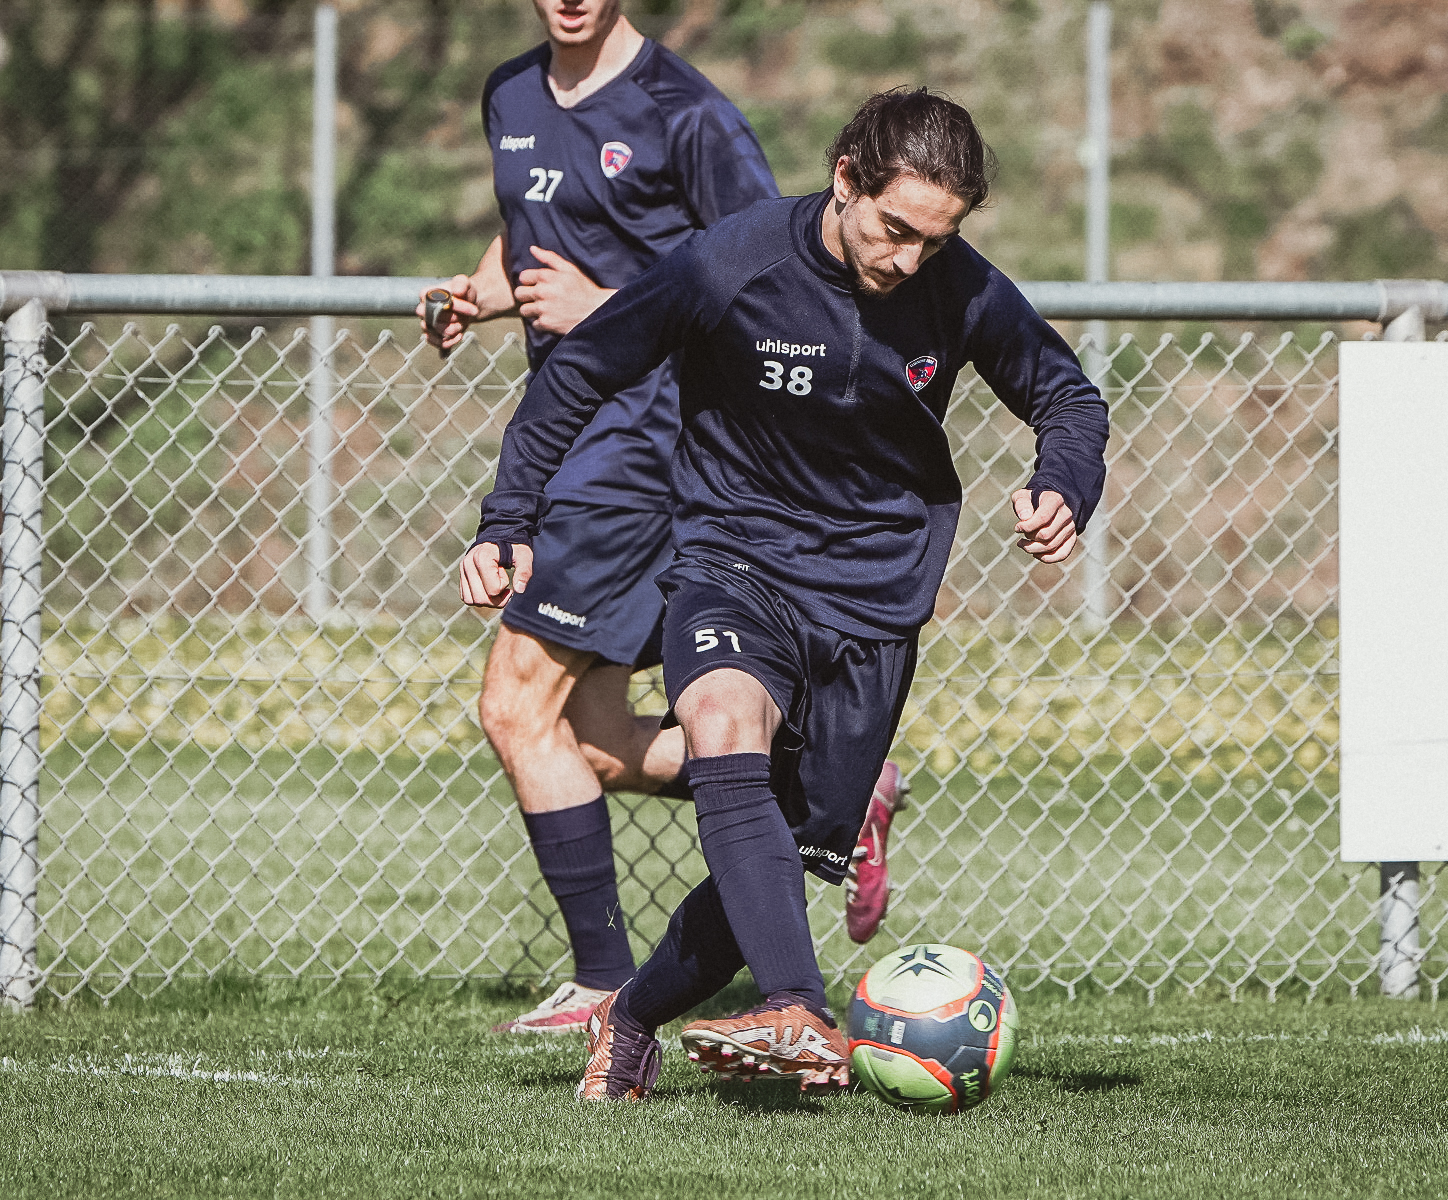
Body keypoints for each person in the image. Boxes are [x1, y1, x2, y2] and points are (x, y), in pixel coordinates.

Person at [464, 85, 1108, 1101]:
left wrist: (1064, 484)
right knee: (721, 720)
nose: (907, 259)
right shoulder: (733, 262)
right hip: (732, 559)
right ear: (844, 178)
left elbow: (1065, 395)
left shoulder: (961, 290)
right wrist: (509, 520)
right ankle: (797, 1009)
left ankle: (628, 1019)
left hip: (873, 599)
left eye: (934, 242)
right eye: (895, 229)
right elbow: (583, 366)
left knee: (771, 869)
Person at [428, 0, 908, 1038]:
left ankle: (603, 986)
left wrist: (602, 303)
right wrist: (478, 295)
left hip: (642, 443)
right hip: (572, 434)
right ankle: (830, 785)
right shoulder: (510, 90)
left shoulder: (687, 114)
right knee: (593, 738)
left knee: (516, 709)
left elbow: (765, 273)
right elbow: (532, 224)